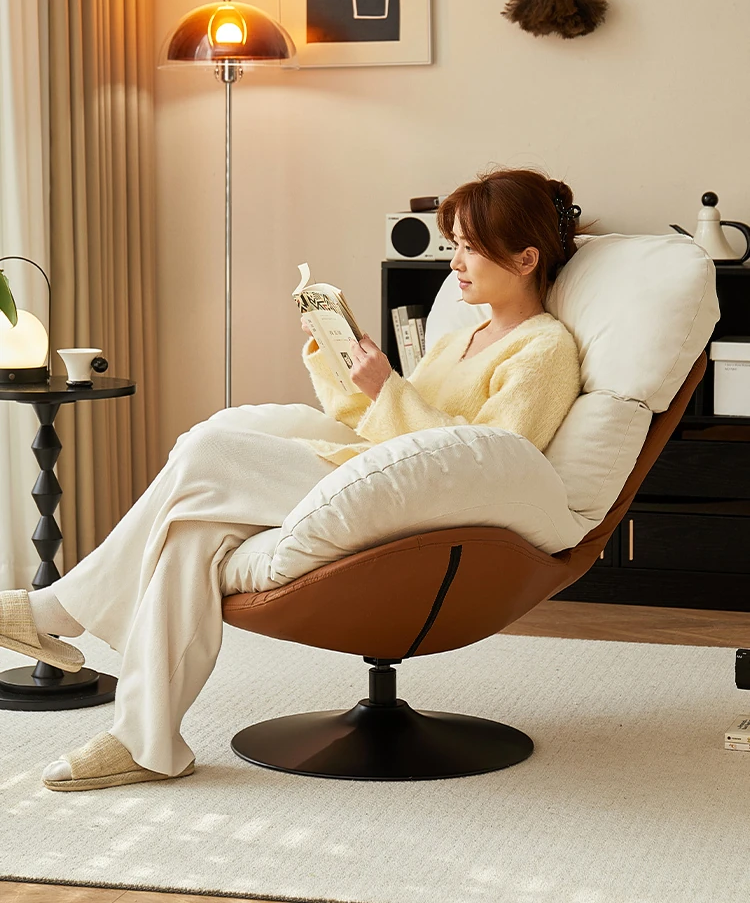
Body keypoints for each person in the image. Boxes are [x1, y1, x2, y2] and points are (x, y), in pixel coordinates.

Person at [0, 166, 583, 792]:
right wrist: (341, 361)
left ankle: (55, 610)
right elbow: (373, 421)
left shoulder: (544, 349)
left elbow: (495, 461)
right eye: (455, 244)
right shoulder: (461, 337)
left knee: (208, 451)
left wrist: (389, 389)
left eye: (469, 247)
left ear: (525, 259)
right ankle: (146, 743)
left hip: (420, 505)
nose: (455, 262)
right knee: (194, 531)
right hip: (375, 476)